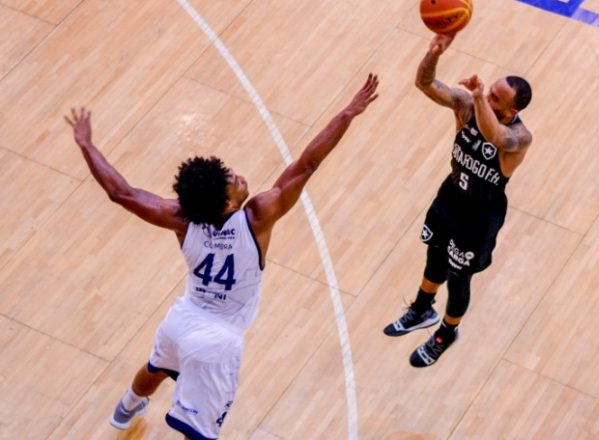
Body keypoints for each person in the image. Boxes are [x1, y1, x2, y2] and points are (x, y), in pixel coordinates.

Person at [65, 74, 379, 439]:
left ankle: (126, 409)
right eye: (233, 180)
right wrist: (348, 113)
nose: (239, 176)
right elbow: (307, 164)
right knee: (199, 434)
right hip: (217, 340)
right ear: (229, 202)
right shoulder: (259, 215)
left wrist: (86, 144)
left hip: (182, 320)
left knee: (157, 366)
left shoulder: (183, 219)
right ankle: (132, 411)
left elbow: (123, 194)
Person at [382, 33, 533, 368]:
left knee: (458, 275)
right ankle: (422, 308)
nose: (486, 95)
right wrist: (434, 53)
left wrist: (479, 98)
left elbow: (495, 136)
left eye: (495, 97)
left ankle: (446, 334)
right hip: (451, 194)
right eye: (489, 90)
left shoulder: (520, 137)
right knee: (434, 252)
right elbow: (424, 82)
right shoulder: (467, 105)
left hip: (480, 215)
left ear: (510, 111)